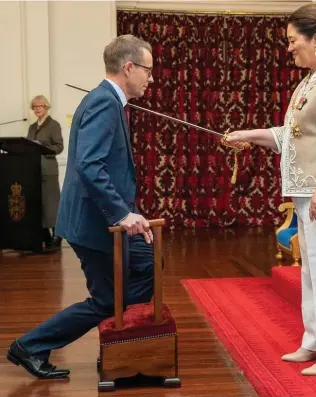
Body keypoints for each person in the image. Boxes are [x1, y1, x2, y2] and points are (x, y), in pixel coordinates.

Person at [226, 4, 316, 376]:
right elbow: (293, 136)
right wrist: (249, 136)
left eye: (293, 41)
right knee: (313, 270)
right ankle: (315, 341)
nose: (289, 48)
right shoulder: (311, 79)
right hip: (313, 192)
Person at [6, 34, 156, 379]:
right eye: (147, 70)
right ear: (128, 67)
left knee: (148, 260)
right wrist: (122, 213)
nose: (151, 78)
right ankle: (31, 346)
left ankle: (123, 343)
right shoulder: (104, 102)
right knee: (106, 301)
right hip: (94, 222)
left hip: (101, 218)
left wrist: (127, 211)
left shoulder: (107, 100)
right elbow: (90, 166)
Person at [27, 95, 64, 252]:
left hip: (48, 169)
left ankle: (57, 236)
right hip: (34, 170)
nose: (37, 109)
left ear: (46, 107)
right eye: (35, 107)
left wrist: (44, 149)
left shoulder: (53, 125)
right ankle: (45, 236)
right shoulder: (32, 127)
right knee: (39, 204)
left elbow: (59, 146)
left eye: (40, 106)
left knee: (51, 203)